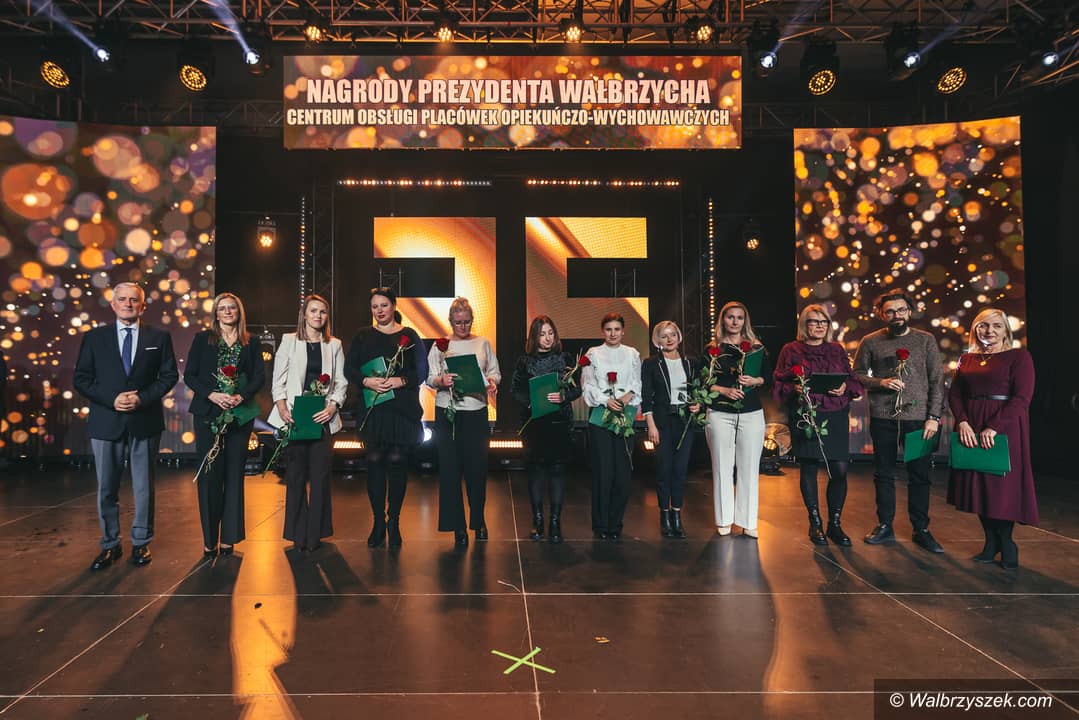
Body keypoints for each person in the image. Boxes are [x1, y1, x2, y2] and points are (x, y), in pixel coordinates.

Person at [73, 282, 178, 570]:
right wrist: (112, 399)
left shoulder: (159, 337)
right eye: (122, 299)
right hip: (106, 421)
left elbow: (168, 376)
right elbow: (82, 379)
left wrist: (142, 398)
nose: (128, 304)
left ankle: (141, 543)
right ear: (113, 304)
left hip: (145, 420)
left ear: (143, 306)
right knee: (106, 488)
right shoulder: (95, 338)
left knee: (144, 488)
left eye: (134, 300)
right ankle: (110, 544)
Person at [853, 288, 945, 552]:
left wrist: (933, 417)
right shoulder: (871, 341)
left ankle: (921, 529)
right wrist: (880, 382)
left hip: (919, 421)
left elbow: (937, 380)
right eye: (890, 311)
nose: (896, 315)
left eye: (901, 310)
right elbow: (857, 374)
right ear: (882, 315)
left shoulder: (925, 340)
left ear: (910, 311)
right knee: (884, 473)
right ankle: (885, 525)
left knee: (920, 475)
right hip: (883, 418)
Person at [948, 308, 1037, 569]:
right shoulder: (966, 359)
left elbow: (1022, 398)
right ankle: (990, 542)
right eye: (983, 325)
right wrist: (962, 421)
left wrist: (994, 427)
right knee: (978, 486)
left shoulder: (1019, 356)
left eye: (996, 326)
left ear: (1005, 330)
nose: (989, 331)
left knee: (1001, 487)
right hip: (971, 426)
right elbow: (955, 394)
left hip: (1004, 427)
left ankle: (1006, 542)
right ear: (975, 329)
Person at [183, 293, 265, 558]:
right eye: (223, 308)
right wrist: (212, 395)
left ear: (239, 312)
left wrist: (241, 396)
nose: (228, 311)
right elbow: (190, 376)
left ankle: (229, 538)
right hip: (208, 414)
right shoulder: (202, 339)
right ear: (216, 313)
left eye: (232, 308)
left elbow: (258, 377)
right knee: (209, 477)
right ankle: (210, 540)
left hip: (240, 417)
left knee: (233, 476)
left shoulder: (251, 342)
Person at [774, 305, 862, 546]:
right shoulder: (790, 349)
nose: (820, 326)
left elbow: (851, 379)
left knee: (840, 470)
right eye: (814, 321)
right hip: (806, 414)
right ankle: (815, 523)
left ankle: (835, 524)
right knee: (809, 467)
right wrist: (795, 388)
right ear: (805, 325)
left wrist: (844, 387)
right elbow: (779, 382)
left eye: (824, 322)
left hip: (835, 414)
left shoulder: (836, 349)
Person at [345, 288, 423, 549]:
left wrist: (401, 381)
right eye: (375, 306)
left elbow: (421, 371)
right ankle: (378, 522)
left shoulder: (409, 336)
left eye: (384, 305)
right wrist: (366, 381)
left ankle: (394, 522)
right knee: (375, 461)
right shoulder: (362, 336)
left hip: (401, 410)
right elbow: (349, 368)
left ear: (394, 306)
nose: (379, 310)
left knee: (398, 461)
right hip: (374, 409)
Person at [268, 294, 347, 553]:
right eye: (313, 311)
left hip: (322, 418)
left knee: (321, 477)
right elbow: (278, 380)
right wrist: (282, 408)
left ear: (327, 316)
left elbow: (341, 382)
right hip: (295, 417)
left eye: (322, 312)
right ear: (304, 314)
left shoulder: (334, 345)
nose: (318, 316)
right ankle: (297, 533)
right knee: (296, 476)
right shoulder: (289, 341)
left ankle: (316, 534)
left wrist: (332, 406)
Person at [428, 297, 501, 546]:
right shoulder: (440, 345)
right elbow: (429, 377)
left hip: (475, 411)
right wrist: (441, 381)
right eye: (458, 322)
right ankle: (457, 526)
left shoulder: (482, 343)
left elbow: (494, 372)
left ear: (472, 320)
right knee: (450, 470)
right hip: (447, 412)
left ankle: (478, 521)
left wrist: (492, 382)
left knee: (476, 469)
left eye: (467, 322)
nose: (463, 326)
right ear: (451, 321)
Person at [510, 316, 581, 544]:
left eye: (551, 333)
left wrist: (563, 396)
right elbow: (515, 390)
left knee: (558, 471)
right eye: (542, 334)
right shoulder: (524, 361)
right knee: (536, 471)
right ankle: (538, 521)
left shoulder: (565, 358)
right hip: (535, 424)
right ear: (534, 336)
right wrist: (531, 401)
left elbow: (577, 389)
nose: (547, 338)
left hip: (560, 422)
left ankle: (555, 522)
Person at [704, 302, 771, 538]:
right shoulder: (712, 349)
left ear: (745, 321)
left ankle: (748, 521)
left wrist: (755, 381)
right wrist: (724, 390)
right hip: (720, 412)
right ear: (723, 320)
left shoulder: (756, 348)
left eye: (739, 317)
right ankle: (724, 519)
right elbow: (703, 382)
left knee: (749, 468)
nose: (734, 321)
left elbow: (768, 377)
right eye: (730, 317)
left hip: (751, 412)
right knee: (722, 467)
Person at [581, 312, 641, 540]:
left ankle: (615, 523)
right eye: (608, 329)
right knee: (603, 471)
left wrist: (626, 397)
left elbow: (637, 382)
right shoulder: (593, 354)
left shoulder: (632, 354)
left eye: (617, 329)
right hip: (601, 414)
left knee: (623, 472)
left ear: (623, 331)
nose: (613, 333)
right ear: (602, 331)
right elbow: (588, 385)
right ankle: (601, 524)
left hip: (625, 414)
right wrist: (606, 400)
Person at [641, 321, 699, 539]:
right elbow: (646, 396)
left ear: (679, 336)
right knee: (664, 471)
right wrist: (651, 425)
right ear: (657, 340)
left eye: (673, 334)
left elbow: (698, 390)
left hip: (684, 422)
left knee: (680, 471)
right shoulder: (651, 364)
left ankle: (677, 515)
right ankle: (664, 516)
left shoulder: (691, 363)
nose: (669, 339)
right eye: (664, 336)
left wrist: (698, 404)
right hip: (662, 422)